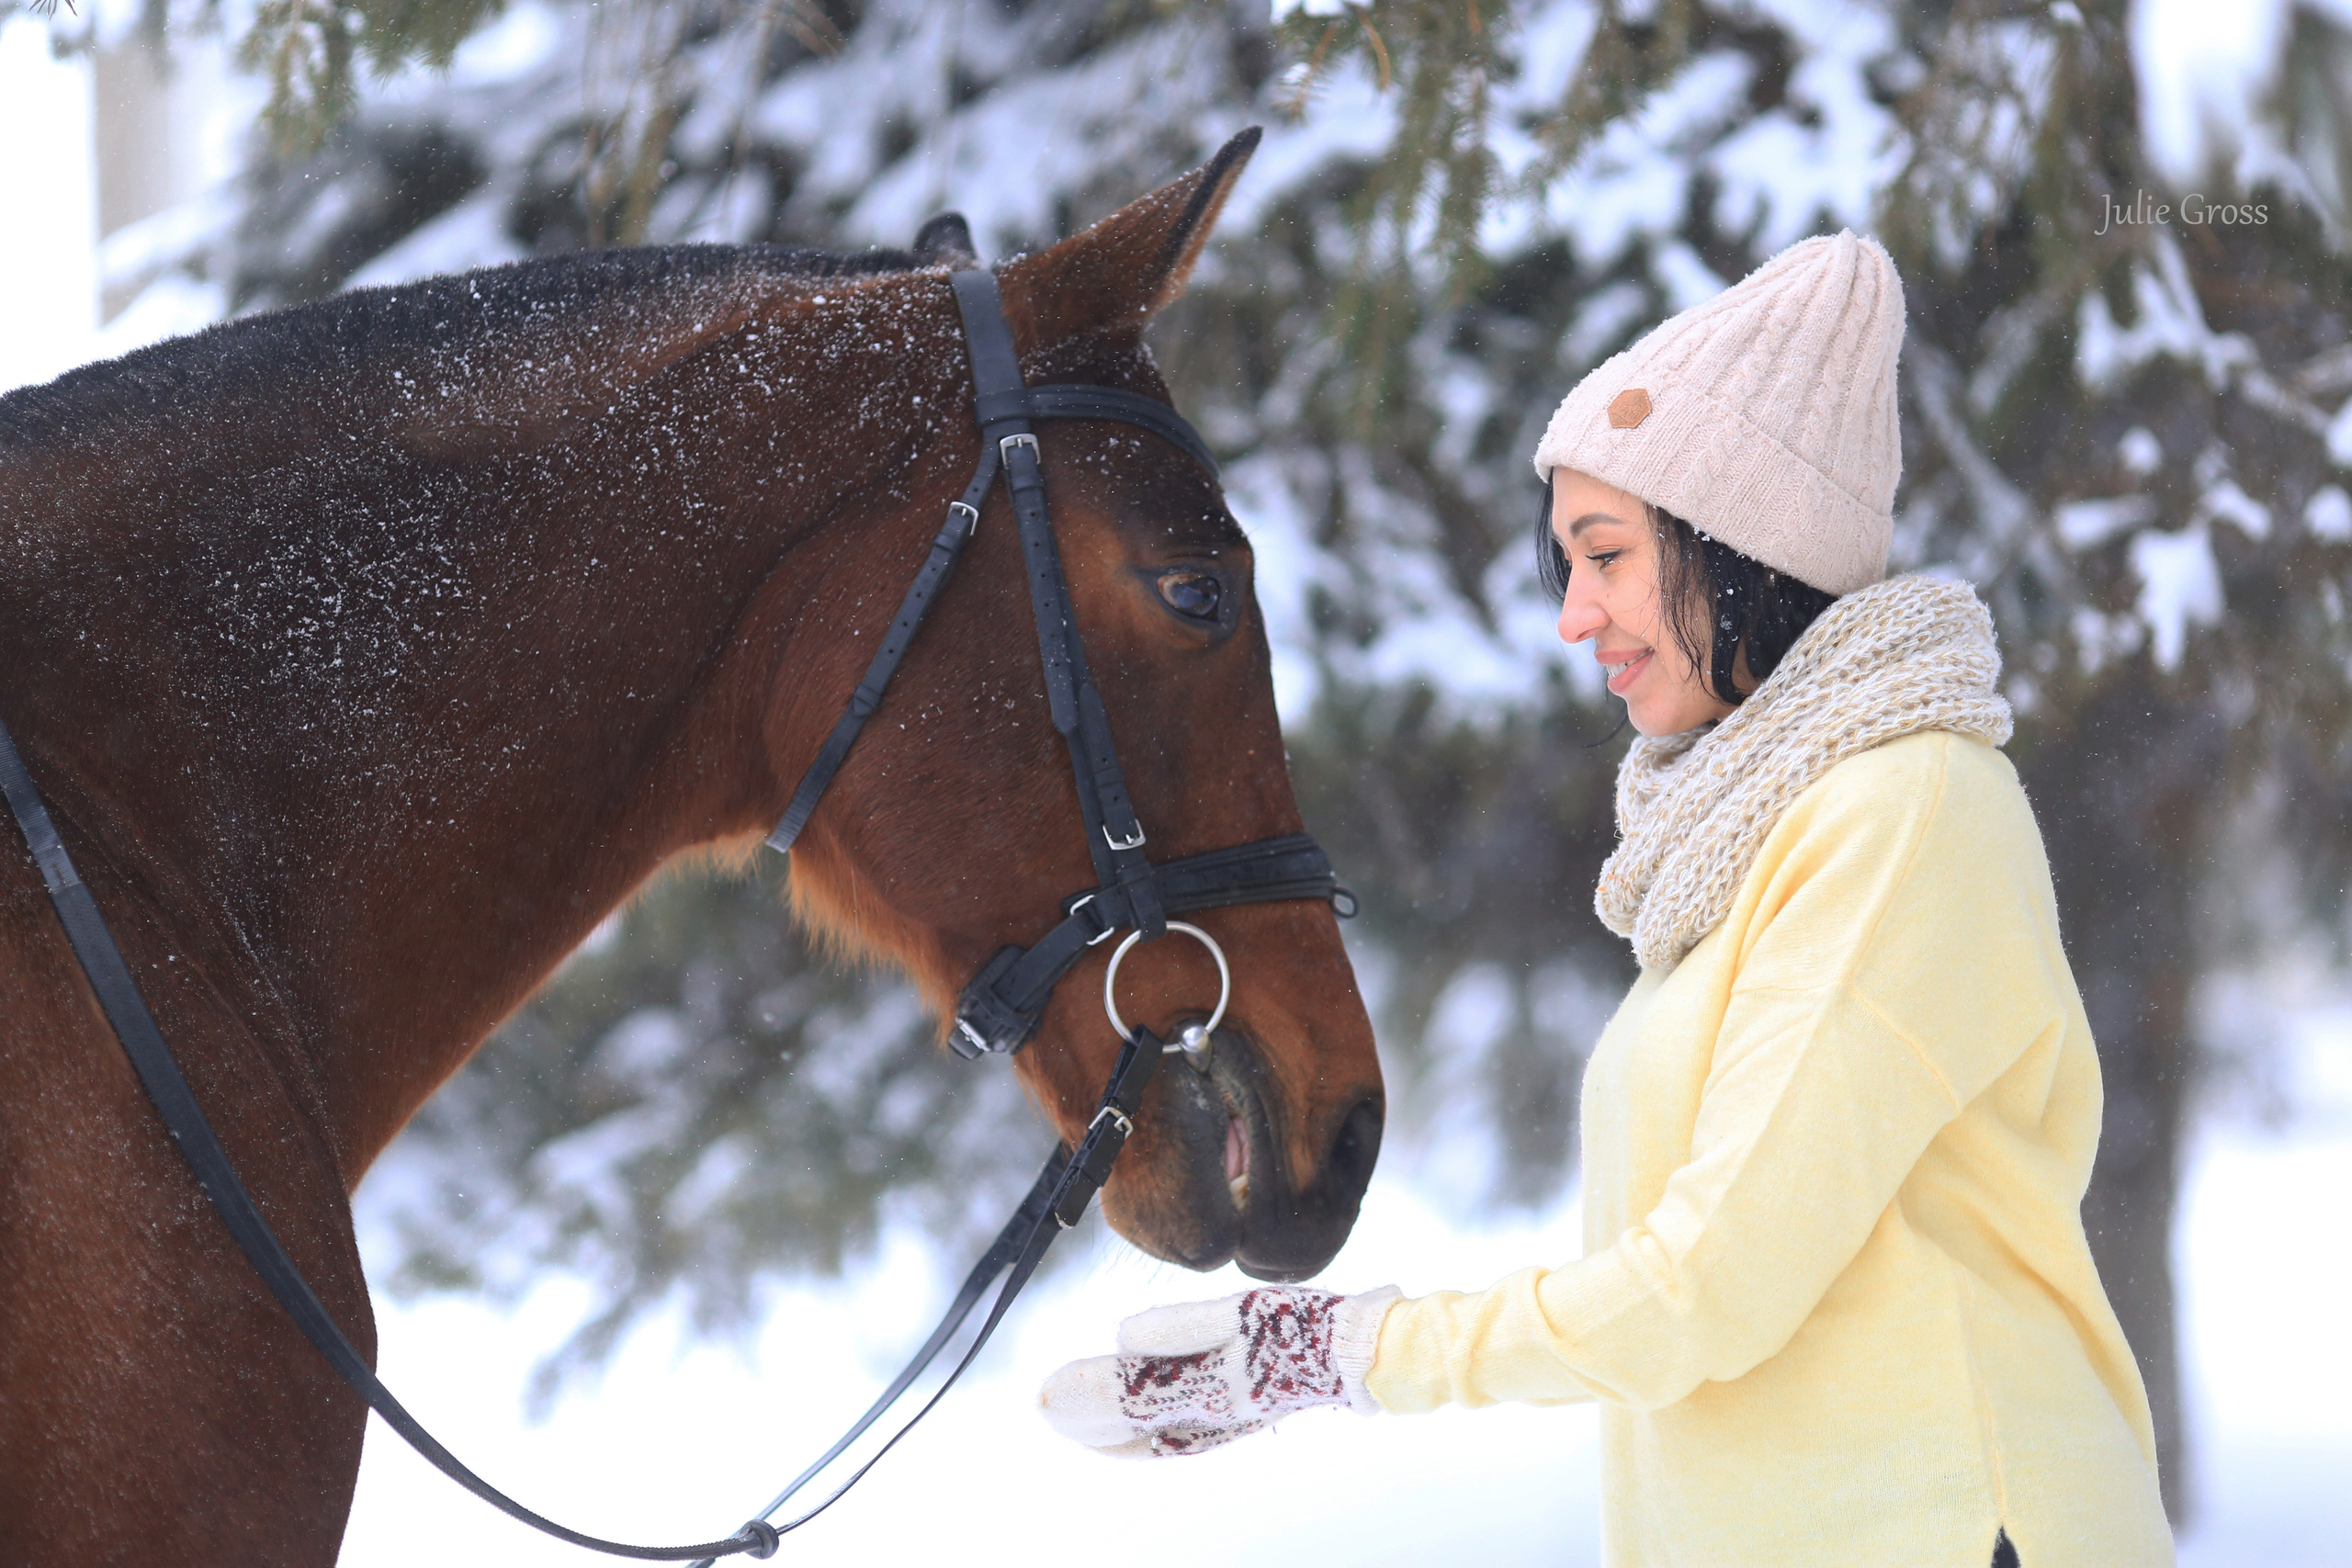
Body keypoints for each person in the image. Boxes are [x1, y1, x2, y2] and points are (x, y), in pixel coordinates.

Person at [1037, 232, 2175, 1568]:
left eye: (1607, 554)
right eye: (1566, 563)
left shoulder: (1899, 813)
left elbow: (1705, 1288)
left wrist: (1331, 1355)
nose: (1574, 617)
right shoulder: (1752, 839)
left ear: (1743, 545)